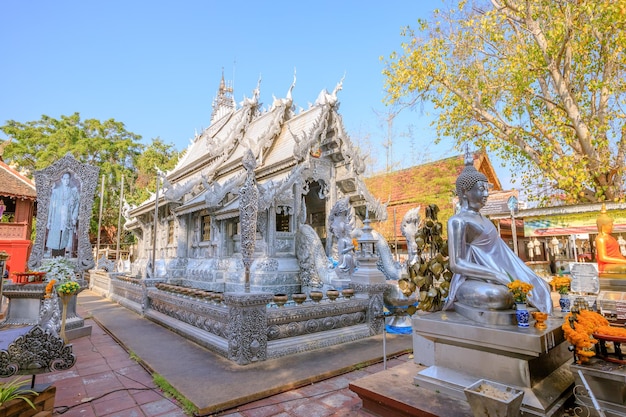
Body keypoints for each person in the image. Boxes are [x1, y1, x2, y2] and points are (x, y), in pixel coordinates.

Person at [443, 152, 552, 314]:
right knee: (498, 296)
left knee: (541, 286)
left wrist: (507, 274)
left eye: (486, 189)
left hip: (497, 274)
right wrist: (496, 274)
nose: (486, 194)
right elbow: (456, 264)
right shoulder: (457, 221)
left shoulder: (485, 220)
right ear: (465, 191)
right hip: (472, 279)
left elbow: (500, 255)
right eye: (481, 189)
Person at [46, 172, 80, 257]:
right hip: (57, 217)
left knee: (64, 237)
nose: (66, 181)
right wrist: (49, 221)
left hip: (67, 217)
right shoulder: (56, 192)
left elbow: (76, 205)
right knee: (56, 237)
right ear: (61, 180)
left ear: (69, 180)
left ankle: (62, 257)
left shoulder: (73, 192)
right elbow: (51, 207)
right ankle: (54, 257)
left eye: (68, 179)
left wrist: (74, 217)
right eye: (64, 179)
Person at [595, 203, 626, 275]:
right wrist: (623, 262)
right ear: (603, 226)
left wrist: (623, 260)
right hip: (606, 265)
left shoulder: (610, 238)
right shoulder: (600, 239)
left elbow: (616, 254)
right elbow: (603, 258)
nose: (612, 227)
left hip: (615, 263)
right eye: (610, 225)